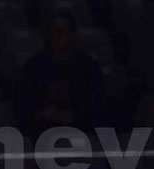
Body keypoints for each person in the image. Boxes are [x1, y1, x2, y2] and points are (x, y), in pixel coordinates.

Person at [13, 11, 106, 141]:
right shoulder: (32, 68)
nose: (58, 37)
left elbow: (97, 106)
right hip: (41, 133)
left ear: (73, 35)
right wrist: (43, 115)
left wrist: (74, 117)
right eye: (54, 32)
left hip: (82, 132)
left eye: (62, 32)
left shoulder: (88, 67)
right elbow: (23, 107)